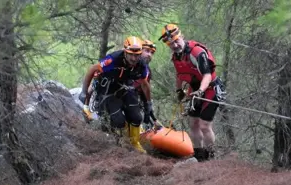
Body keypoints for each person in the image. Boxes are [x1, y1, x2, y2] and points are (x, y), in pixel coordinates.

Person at [158, 23, 223, 161]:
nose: (175, 45)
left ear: (181, 36)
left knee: (204, 125)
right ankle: (199, 155)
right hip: (194, 89)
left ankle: (211, 156)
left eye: (176, 41)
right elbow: (179, 74)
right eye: (171, 44)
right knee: (193, 123)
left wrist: (200, 91)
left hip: (210, 88)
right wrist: (179, 90)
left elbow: (207, 75)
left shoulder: (197, 53)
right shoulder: (176, 57)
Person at [79, 36, 153, 153]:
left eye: (137, 55)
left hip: (126, 88)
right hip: (109, 90)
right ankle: (123, 142)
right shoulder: (113, 59)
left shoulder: (141, 64)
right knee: (118, 121)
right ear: (125, 52)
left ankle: (134, 143)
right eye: (131, 54)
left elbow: (144, 84)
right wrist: (84, 91)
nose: (134, 58)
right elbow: (92, 69)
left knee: (137, 117)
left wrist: (149, 103)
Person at [133, 39, 158, 129]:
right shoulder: (128, 62)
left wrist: (148, 105)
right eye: (147, 51)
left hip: (135, 97)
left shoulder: (147, 71)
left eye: (152, 53)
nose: (149, 55)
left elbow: (144, 89)